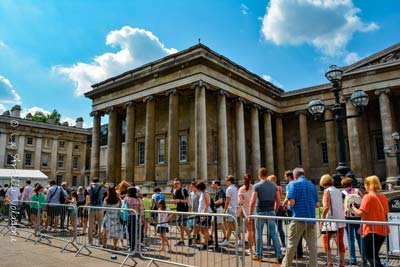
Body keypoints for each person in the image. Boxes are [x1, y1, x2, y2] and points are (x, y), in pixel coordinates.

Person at [281, 167, 318, 267]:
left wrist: (288, 206)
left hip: (298, 218)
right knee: (312, 247)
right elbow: (317, 204)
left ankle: (285, 265)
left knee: (291, 244)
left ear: (294, 175)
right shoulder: (311, 185)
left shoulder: (293, 184)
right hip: (311, 218)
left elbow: (291, 203)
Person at [352, 175, 389, 267]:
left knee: (369, 255)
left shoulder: (367, 197)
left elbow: (361, 213)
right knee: (374, 255)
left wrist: (353, 207)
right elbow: (386, 211)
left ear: (368, 185)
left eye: (365, 184)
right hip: (382, 230)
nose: (364, 186)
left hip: (371, 230)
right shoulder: (383, 196)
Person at [249, 168, 282, 263]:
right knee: (274, 234)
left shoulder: (257, 186)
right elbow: (278, 200)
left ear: (259, 175)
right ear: (267, 174)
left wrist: (250, 214)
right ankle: (279, 255)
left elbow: (253, 200)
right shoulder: (274, 185)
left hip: (260, 212)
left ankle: (259, 254)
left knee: (258, 234)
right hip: (271, 211)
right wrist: (275, 210)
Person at [320, 174, 346, 267]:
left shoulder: (327, 191)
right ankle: (342, 263)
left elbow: (326, 206)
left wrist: (322, 218)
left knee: (325, 240)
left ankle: (330, 262)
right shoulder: (338, 191)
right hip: (340, 218)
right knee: (340, 241)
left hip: (330, 219)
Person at [341, 177, 365, 266]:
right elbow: (363, 202)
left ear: (343, 185)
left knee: (350, 239)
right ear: (352, 183)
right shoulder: (357, 191)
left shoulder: (342, 193)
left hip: (348, 218)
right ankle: (364, 257)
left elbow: (341, 206)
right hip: (358, 217)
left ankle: (353, 259)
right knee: (359, 238)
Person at [282, 170, 304, 258]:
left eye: (285, 176)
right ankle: (300, 252)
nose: (284, 177)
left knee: (294, 233)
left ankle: (294, 253)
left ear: (288, 177)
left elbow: (288, 197)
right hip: (299, 210)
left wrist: (283, 205)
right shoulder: (297, 184)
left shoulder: (290, 185)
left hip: (292, 210)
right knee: (299, 233)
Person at [267, 174, 286, 251]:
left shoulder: (273, 188)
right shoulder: (279, 188)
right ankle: (283, 244)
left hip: (273, 209)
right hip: (279, 209)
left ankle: (269, 244)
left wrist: (274, 209)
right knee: (280, 228)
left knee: (270, 227)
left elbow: (275, 200)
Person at [221, 175, 240, 246]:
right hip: (234, 208)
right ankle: (228, 240)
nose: (225, 181)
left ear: (229, 181)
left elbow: (227, 200)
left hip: (231, 208)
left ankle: (236, 239)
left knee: (232, 225)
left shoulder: (229, 189)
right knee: (231, 225)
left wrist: (225, 209)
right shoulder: (235, 188)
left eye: (226, 180)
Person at [238, 174, 255, 252]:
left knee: (249, 230)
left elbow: (240, 202)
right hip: (255, 209)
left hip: (247, 211)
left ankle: (251, 248)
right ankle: (256, 246)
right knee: (255, 230)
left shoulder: (241, 189)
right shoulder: (254, 187)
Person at [172, 178, 191, 246]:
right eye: (175, 184)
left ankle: (190, 237)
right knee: (180, 225)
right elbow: (174, 200)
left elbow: (187, 200)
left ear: (180, 184)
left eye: (177, 183)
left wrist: (179, 201)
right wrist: (174, 201)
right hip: (178, 210)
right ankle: (182, 240)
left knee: (184, 225)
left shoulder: (184, 190)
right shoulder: (174, 191)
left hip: (184, 210)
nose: (176, 185)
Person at [125, 186, 144, 252]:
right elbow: (141, 210)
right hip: (137, 216)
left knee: (130, 232)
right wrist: (142, 218)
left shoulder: (126, 199)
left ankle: (131, 247)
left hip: (129, 216)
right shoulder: (139, 199)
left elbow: (124, 208)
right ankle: (134, 246)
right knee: (135, 232)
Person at [88, 177, 106, 244]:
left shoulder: (89, 188)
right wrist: (102, 184)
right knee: (100, 224)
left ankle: (90, 241)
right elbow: (107, 189)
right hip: (99, 207)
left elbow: (87, 189)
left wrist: (90, 184)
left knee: (90, 225)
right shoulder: (102, 188)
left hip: (91, 207)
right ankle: (100, 240)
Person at [196, 182, 212, 250]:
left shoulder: (205, 194)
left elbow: (207, 205)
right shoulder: (202, 193)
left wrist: (204, 215)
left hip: (205, 214)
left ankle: (206, 244)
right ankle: (210, 240)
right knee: (202, 230)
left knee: (205, 229)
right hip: (201, 213)